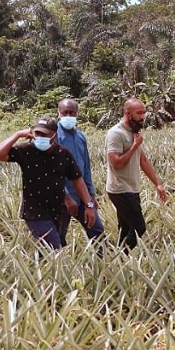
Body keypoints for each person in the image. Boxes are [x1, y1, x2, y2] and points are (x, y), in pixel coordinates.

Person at [0, 117, 96, 250]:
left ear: (54, 135)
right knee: (53, 249)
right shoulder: (26, 150)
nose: (40, 137)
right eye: (37, 133)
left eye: (45, 134)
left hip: (57, 210)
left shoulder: (63, 154)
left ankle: (36, 269)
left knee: (47, 251)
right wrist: (17, 135)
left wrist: (89, 205)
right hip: (35, 211)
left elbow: (77, 179)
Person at [105, 98, 168, 251]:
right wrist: (134, 146)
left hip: (131, 188)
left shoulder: (134, 132)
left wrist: (158, 184)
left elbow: (143, 159)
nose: (143, 116)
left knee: (125, 229)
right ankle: (119, 258)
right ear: (127, 113)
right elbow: (116, 163)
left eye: (144, 112)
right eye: (139, 113)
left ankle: (118, 264)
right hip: (120, 189)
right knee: (139, 228)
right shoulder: (116, 134)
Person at [56, 99, 106, 254]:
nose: (68, 116)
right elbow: (53, 172)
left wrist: (91, 194)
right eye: (65, 113)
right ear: (58, 113)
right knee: (57, 238)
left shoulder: (81, 137)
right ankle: (53, 271)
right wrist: (65, 196)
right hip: (61, 197)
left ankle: (104, 269)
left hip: (82, 195)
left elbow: (86, 168)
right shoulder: (54, 136)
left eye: (72, 113)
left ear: (77, 114)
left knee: (97, 232)